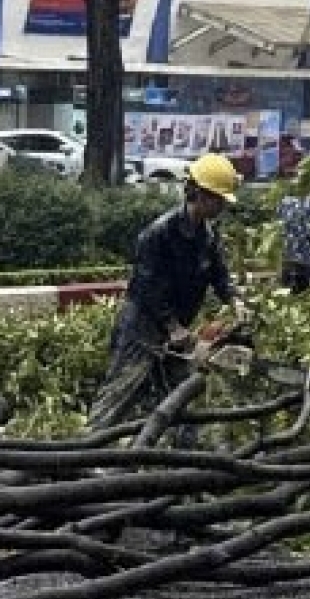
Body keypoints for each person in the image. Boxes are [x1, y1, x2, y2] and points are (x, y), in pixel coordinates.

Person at [88, 154, 251, 430]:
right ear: (200, 194)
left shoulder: (208, 235)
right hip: (142, 328)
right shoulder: (158, 234)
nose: (222, 206)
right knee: (118, 397)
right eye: (219, 200)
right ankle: (88, 447)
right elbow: (147, 286)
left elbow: (219, 275)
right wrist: (172, 326)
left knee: (180, 398)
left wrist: (235, 299)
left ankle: (178, 450)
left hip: (176, 329)